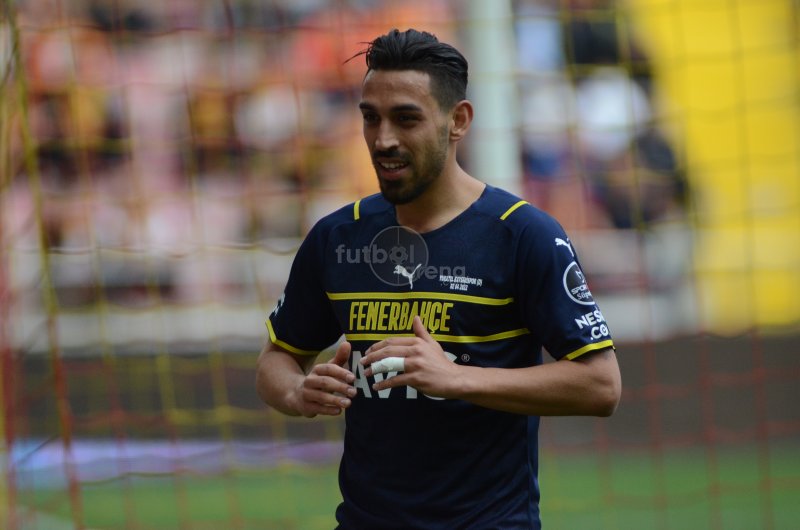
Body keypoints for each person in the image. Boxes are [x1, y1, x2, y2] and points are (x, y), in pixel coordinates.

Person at [256, 28, 621, 530]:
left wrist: (456, 379)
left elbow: (600, 385)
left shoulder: (523, 235)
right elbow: (276, 360)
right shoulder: (337, 236)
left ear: (458, 121)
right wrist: (298, 393)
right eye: (371, 118)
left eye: (406, 118)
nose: (383, 139)